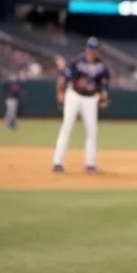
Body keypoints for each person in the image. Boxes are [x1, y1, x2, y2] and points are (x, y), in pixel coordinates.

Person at [51, 37, 110, 173]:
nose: (93, 52)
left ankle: (90, 164)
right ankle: (57, 162)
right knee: (67, 127)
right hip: (74, 95)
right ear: (87, 49)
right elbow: (64, 77)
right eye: (91, 49)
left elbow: (103, 87)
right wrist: (60, 92)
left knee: (91, 132)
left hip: (90, 99)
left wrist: (103, 99)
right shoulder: (77, 62)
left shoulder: (102, 67)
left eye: (95, 49)